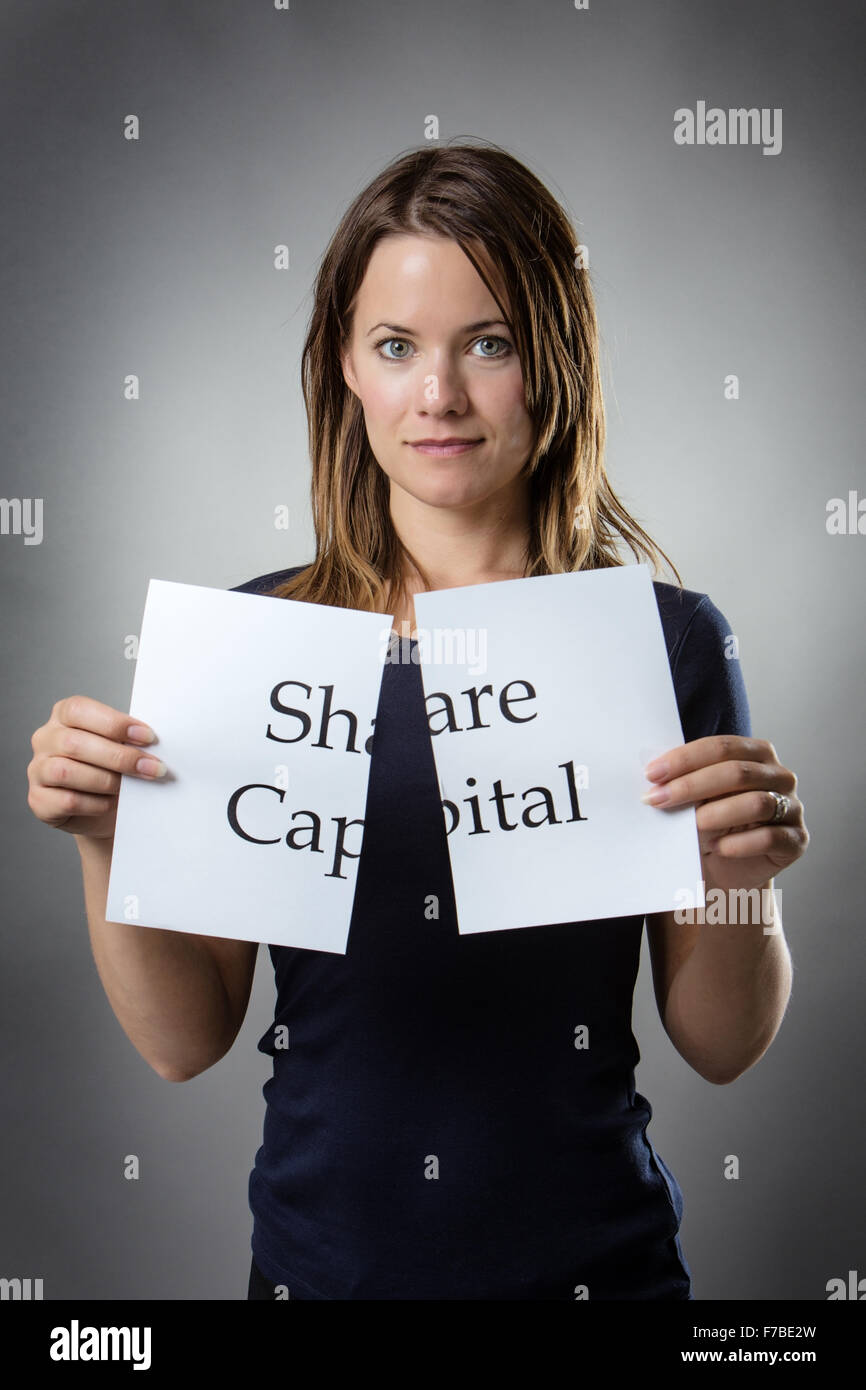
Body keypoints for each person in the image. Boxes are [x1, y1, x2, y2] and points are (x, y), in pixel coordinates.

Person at [26, 141, 809, 1301]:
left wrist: (743, 876)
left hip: (597, 1275)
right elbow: (183, 1038)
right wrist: (102, 837)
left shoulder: (665, 642)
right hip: (318, 1278)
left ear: (554, 359)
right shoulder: (261, 644)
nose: (437, 396)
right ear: (346, 367)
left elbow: (721, 1042)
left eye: (485, 344)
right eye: (396, 348)